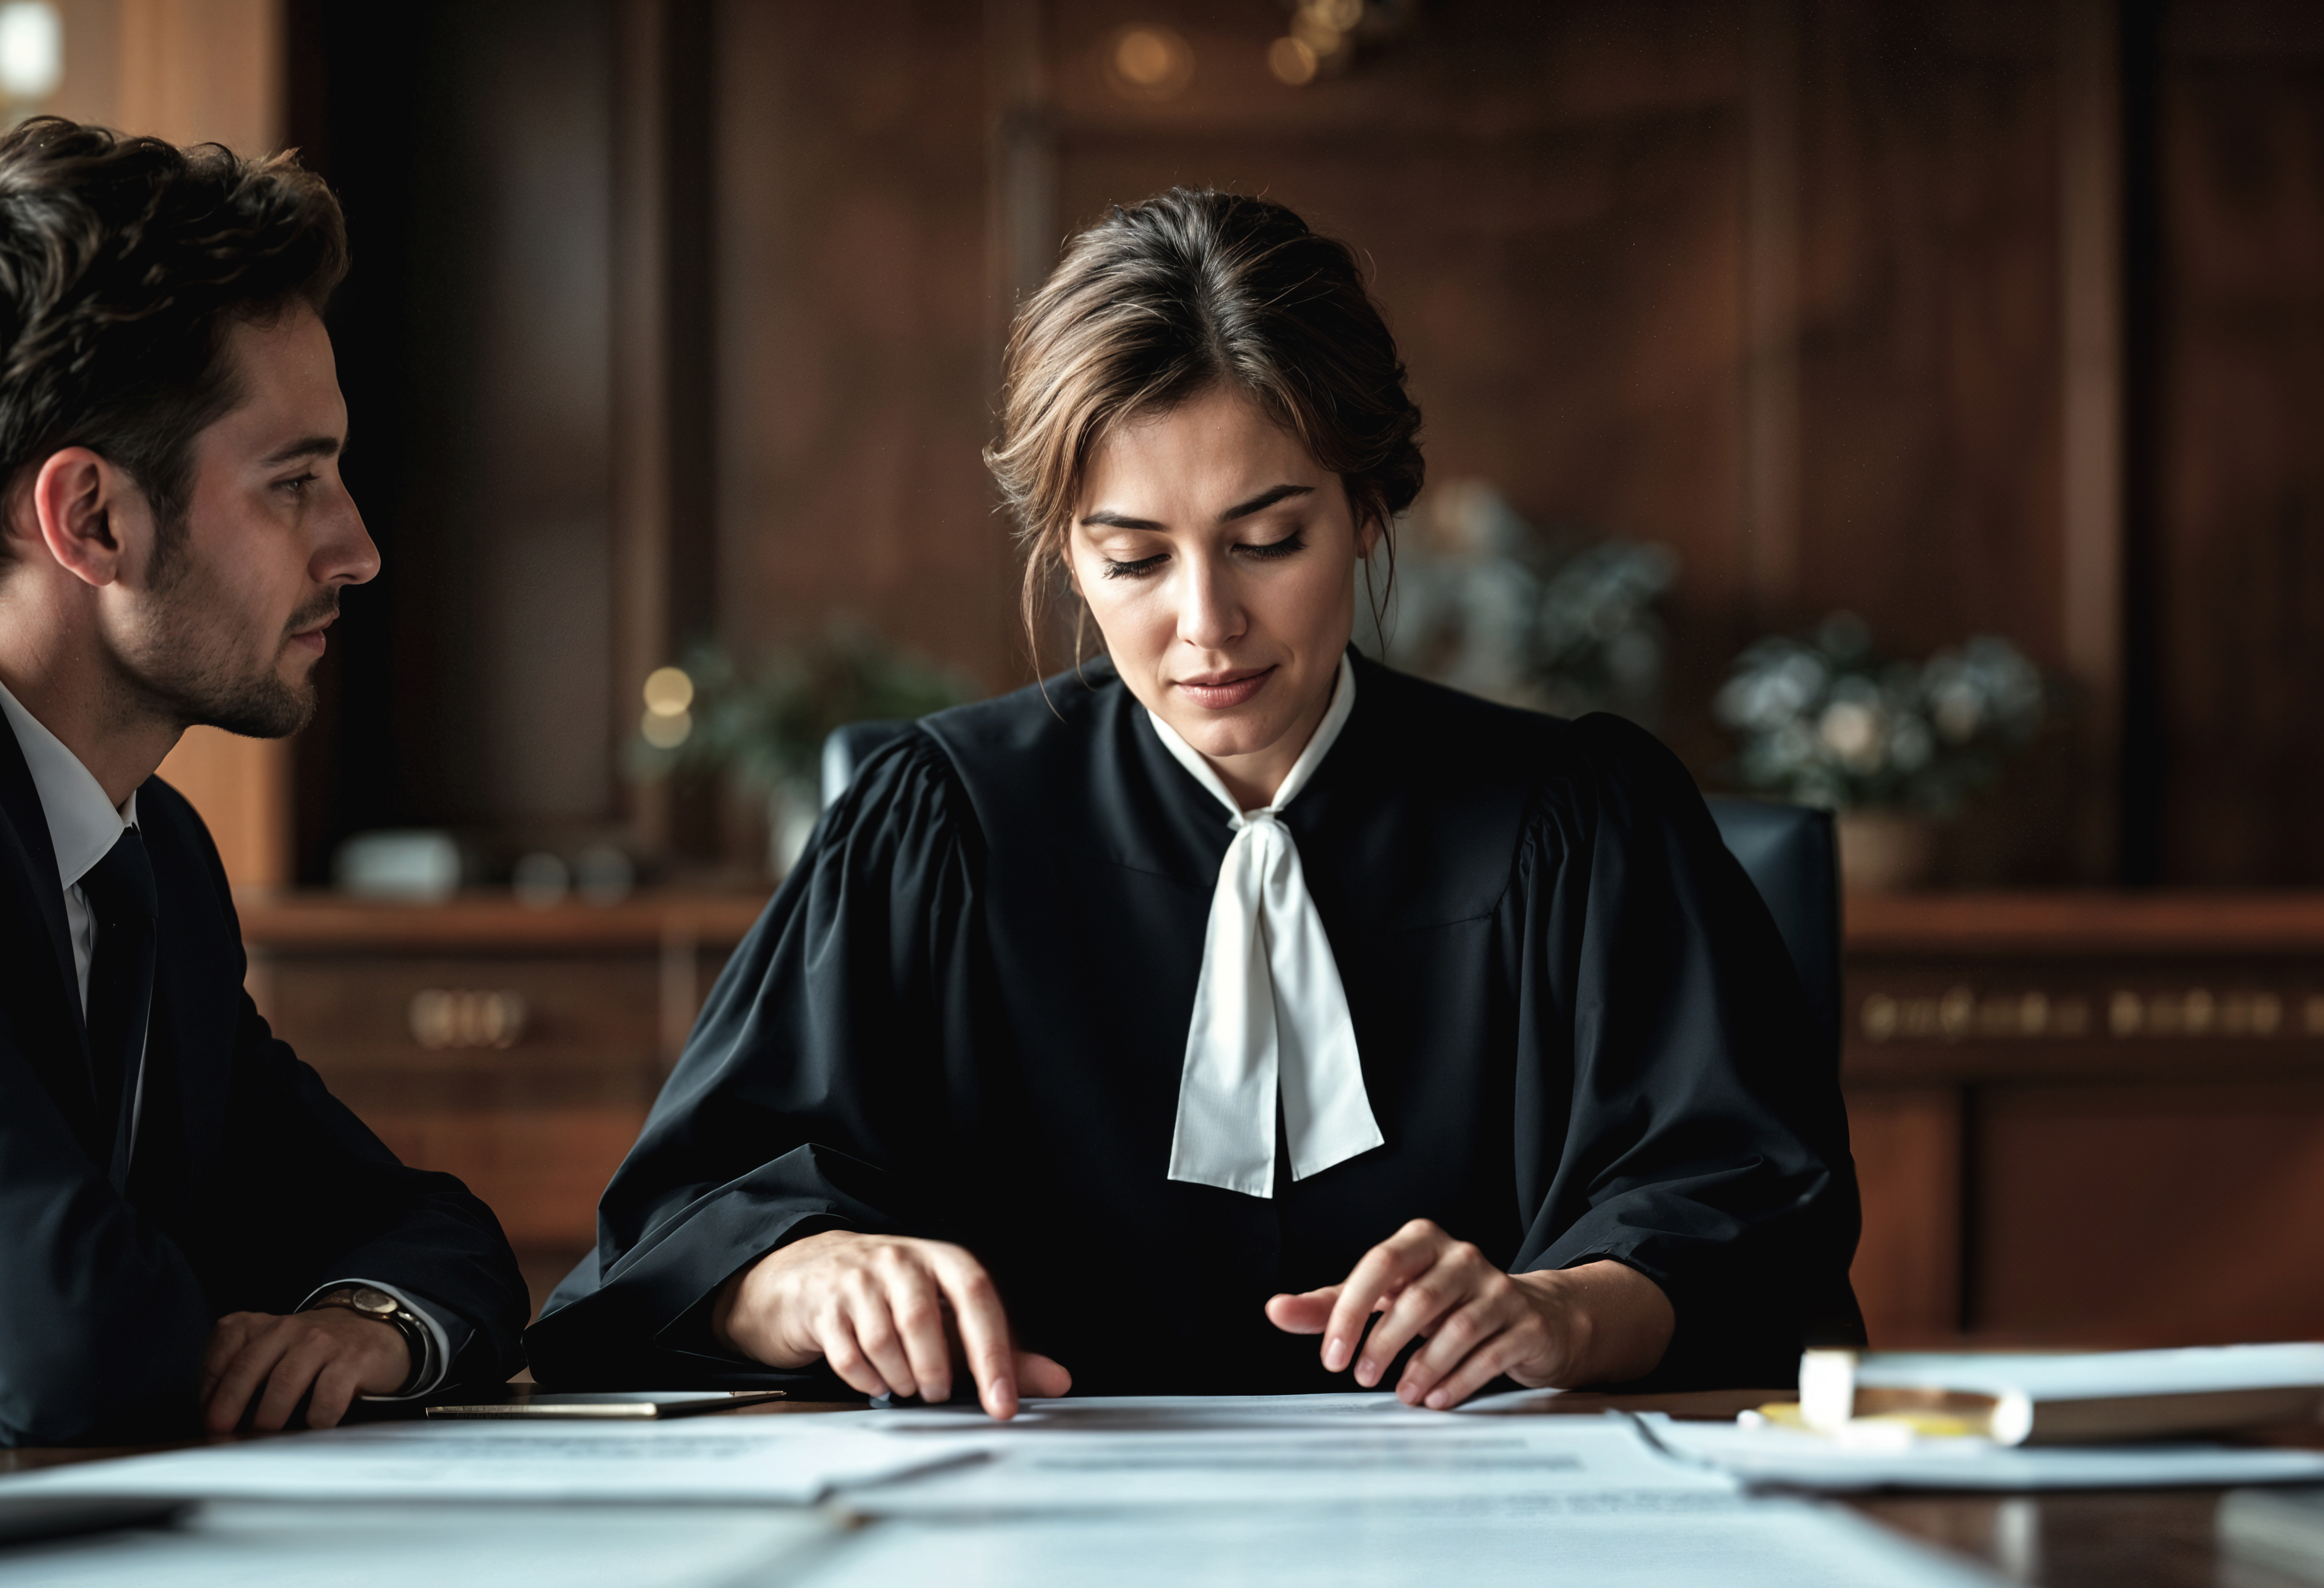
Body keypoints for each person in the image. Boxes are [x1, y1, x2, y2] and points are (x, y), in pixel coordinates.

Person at [529, 189, 1861, 1417]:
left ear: (1369, 510)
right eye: (1132, 558)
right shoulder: (931, 823)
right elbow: (667, 1242)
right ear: (1064, 550)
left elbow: (1756, 1224)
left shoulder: (1579, 821)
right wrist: (805, 1281)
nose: (1205, 625)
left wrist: (1563, 1312)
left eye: (1268, 540)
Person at [0, 119, 528, 1446]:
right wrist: (227, 1302)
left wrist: (365, 1321)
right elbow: (68, 1341)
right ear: (93, 520)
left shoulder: (151, 862)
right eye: (294, 483)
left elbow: (429, 1232)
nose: (355, 549)